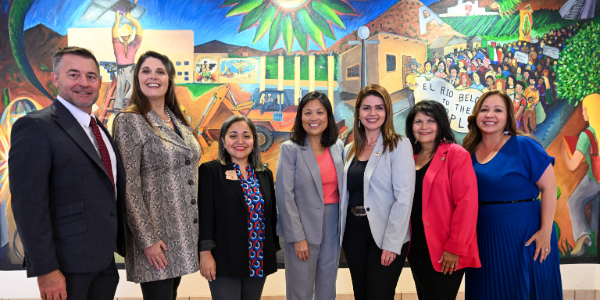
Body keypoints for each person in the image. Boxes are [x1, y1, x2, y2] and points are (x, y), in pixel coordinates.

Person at [9, 46, 126, 299]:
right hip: (65, 267)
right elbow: (29, 206)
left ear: (99, 82)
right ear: (55, 78)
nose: (83, 83)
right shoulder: (35, 127)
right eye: (73, 75)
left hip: (104, 263)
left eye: (91, 76)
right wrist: (46, 269)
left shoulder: (99, 130)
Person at [113, 51, 201, 299]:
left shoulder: (180, 122)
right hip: (155, 237)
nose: (153, 76)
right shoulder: (130, 121)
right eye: (146, 71)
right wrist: (147, 239)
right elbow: (128, 185)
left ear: (170, 79)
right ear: (137, 78)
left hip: (181, 233)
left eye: (160, 71)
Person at [463, 91, 563, 299]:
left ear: (508, 117)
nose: (490, 115)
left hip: (525, 235)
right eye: (484, 109)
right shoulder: (468, 150)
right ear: (476, 115)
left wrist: (545, 231)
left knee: (524, 290)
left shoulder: (524, 145)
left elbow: (550, 188)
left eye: (498, 110)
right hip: (482, 235)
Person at [340, 84, 415, 299]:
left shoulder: (399, 145)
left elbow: (404, 198)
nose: (372, 113)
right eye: (366, 108)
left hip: (385, 234)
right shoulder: (349, 150)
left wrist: (392, 243)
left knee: (379, 294)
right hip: (354, 233)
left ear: (387, 112)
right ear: (358, 112)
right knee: (361, 294)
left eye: (379, 108)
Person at [404, 100, 480, 300]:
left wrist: (455, 247)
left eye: (431, 121)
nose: (424, 127)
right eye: (418, 121)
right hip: (417, 245)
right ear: (411, 127)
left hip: (445, 247)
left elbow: (467, 204)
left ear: (441, 124)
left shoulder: (456, 154)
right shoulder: (408, 157)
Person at [198, 115, 279, 300]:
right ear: (223, 141)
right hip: (224, 259)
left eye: (246, 136)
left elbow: (270, 216)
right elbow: (205, 216)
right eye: (233, 135)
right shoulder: (211, 171)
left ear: (254, 141)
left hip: (258, 257)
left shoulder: (264, 174)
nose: (240, 141)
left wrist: (272, 249)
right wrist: (205, 253)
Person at [276, 91, 344, 300]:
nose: (313, 118)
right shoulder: (290, 149)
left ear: (328, 116)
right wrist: (297, 237)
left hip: (332, 226)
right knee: (300, 290)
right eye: (307, 113)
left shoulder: (337, 146)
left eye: (319, 112)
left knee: (327, 288)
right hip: (302, 227)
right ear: (300, 118)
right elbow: (284, 195)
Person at [561, 94, 600, 257]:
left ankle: (582, 236)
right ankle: (595, 244)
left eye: (584, 109)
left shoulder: (588, 134)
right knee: (597, 208)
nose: (583, 114)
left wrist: (564, 152)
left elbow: (572, 165)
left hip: (595, 179)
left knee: (574, 201)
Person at [112, 11, 143, 110]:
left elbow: (139, 29)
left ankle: (125, 100)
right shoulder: (129, 44)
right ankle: (119, 106)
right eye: (124, 36)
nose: (125, 38)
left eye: (126, 36)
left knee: (134, 85)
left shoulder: (127, 44)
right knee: (121, 88)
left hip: (129, 68)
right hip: (123, 69)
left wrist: (126, 18)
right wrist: (128, 18)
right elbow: (139, 28)